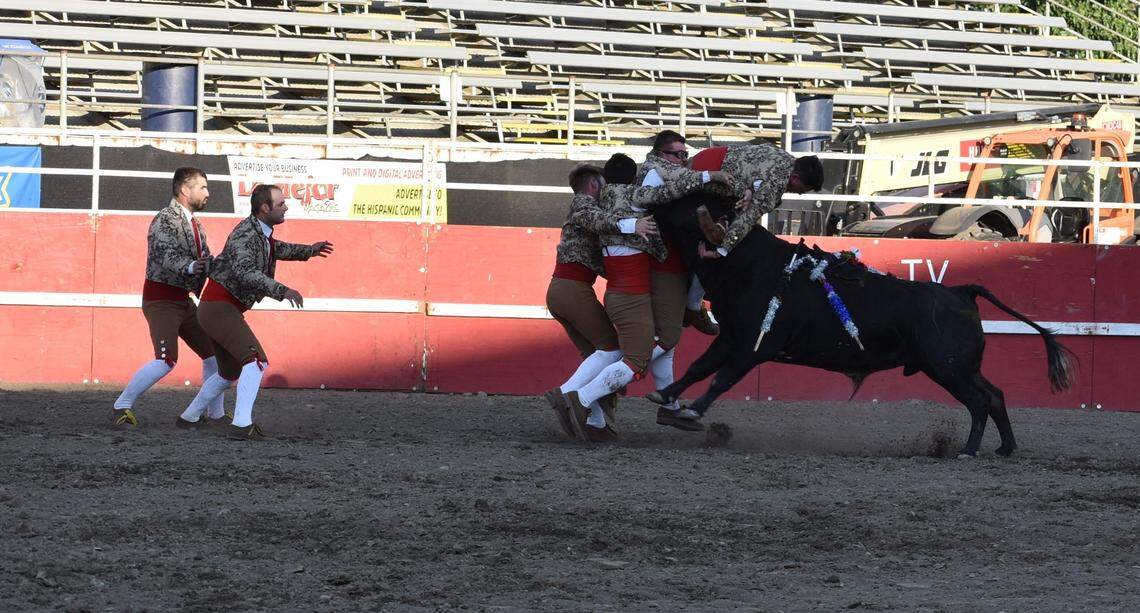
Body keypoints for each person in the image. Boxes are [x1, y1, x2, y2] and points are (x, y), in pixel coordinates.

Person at [564, 155, 729, 439]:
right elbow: (668, 192)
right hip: (630, 293)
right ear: (632, 178)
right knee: (638, 358)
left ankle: (645, 401)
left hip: (617, 289)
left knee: (641, 350)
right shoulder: (635, 195)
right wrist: (710, 176)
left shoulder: (597, 202)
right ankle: (576, 396)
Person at [176, 184, 333, 439]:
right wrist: (283, 291)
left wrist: (309, 251)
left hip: (217, 307)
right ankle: (241, 424)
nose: (285, 207)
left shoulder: (260, 232)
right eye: (280, 204)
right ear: (264, 208)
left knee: (229, 372)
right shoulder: (245, 235)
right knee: (256, 361)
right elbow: (245, 273)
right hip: (219, 308)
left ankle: (189, 417)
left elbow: (276, 249)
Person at [543, 164, 655, 440]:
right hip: (573, 290)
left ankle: (595, 421)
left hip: (563, 290)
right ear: (594, 184)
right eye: (603, 186)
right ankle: (566, 394)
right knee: (612, 349)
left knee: (595, 355)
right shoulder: (583, 203)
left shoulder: (581, 206)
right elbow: (599, 221)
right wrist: (634, 224)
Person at [112, 167, 229, 428]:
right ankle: (121, 405)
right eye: (203, 187)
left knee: (214, 356)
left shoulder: (195, 224)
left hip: (182, 301)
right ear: (185, 190)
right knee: (166, 360)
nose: (208, 193)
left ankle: (216, 414)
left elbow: (205, 260)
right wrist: (190, 266)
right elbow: (165, 256)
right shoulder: (165, 219)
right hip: (161, 300)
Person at [636, 130, 720, 336]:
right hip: (663, 258)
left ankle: (693, 305)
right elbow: (645, 201)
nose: (683, 160)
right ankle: (692, 306)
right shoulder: (654, 172)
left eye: (686, 154)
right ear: (660, 154)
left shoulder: (666, 171)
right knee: (667, 338)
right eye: (678, 155)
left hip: (671, 253)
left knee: (668, 341)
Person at [690, 143, 824, 259]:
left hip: (703, 157)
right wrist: (721, 251)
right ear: (795, 178)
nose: (801, 193)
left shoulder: (784, 156)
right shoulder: (773, 190)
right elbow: (747, 219)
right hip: (707, 178)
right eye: (803, 189)